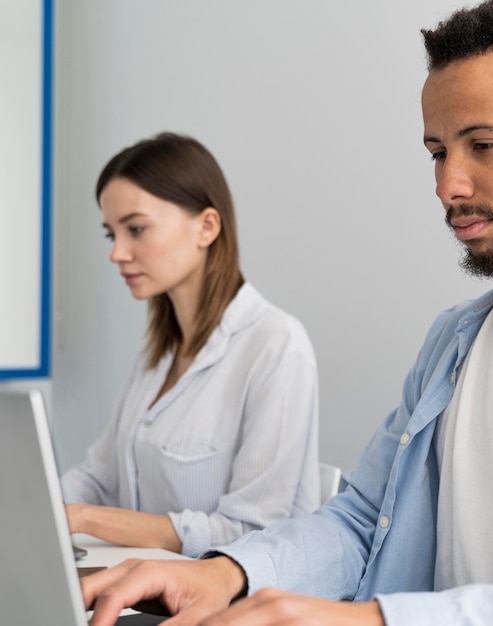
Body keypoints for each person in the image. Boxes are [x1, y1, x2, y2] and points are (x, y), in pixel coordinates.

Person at [83, 0, 493, 623]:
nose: (449, 184)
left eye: (482, 144)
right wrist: (227, 573)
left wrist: (375, 619)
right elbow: (366, 517)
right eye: (437, 152)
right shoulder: (455, 340)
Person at [61, 132, 320, 559]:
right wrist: (37, 505)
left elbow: (251, 531)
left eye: (136, 229)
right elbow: (99, 478)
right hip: (144, 585)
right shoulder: (158, 354)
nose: (118, 253)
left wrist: (86, 518)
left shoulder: (275, 346)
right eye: (112, 235)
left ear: (206, 226)